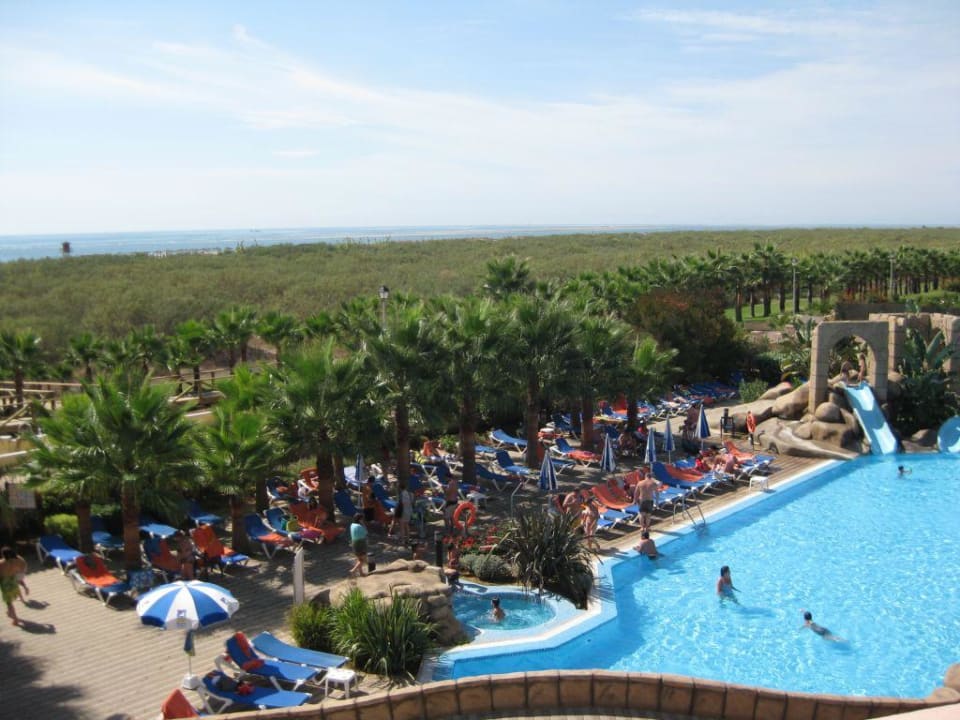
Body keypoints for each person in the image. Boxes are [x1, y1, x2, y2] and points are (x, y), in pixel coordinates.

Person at [0, 546, 27, 626]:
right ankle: (10, 612)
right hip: (13, 580)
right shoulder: (17, 561)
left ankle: (15, 619)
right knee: (13, 595)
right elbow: (23, 567)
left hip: (5, 583)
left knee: (9, 603)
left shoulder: (1, 563)